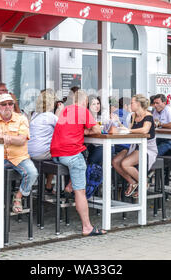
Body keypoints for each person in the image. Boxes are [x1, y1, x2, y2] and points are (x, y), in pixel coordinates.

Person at [50, 90, 106, 236]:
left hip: (56, 154)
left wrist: (82, 132)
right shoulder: (82, 111)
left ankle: (69, 185)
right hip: (71, 154)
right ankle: (87, 227)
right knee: (80, 191)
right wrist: (86, 132)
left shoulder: (64, 110)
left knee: (84, 157)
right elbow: (97, 129)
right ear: (85, 101)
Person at [0, 93, 38, 212]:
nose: (8, 106)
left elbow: (21, 139)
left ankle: (18, 197)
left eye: (10, 104)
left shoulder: (21, 119)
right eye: (4, 104)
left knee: (32, 173)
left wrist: (4, 137)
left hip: (19, 157)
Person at [112, 94, 158, 199]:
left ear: (138, 104)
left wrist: (128, 130)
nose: (130, 105)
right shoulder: (132, 116)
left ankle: (144, 183)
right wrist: (118, 123)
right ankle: (132, 182)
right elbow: (127, 130)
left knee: (125, 163)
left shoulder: (148, 116)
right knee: (115, 161)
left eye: (132, 103)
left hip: (146, 147)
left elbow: (145, 130)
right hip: (134, 145)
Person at [28, 89, 58, 193]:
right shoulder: (50, 116)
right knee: (62, 153)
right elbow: (64, 130)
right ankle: (50, 185)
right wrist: (59, 112)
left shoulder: (35, 115)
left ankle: (48, 185)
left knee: (52, 149)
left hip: (30, 152)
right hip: (41, 154)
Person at [87, 96, 103, 166]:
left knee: (91, 162)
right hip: (91, 144)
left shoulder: (103, 118)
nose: (97, 106)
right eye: (93, 104)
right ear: (89, 106)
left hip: (103, 145)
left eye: (98, 103)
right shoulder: (86, 117)